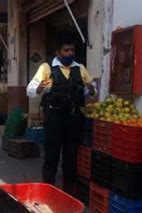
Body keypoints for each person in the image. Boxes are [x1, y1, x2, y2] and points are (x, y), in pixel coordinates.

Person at [26, 35, 97, 193]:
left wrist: (92, 89)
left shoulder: (80, 68)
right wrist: (39, 88)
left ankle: (68, 193)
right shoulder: (47, 68)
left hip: (74, 120)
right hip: (55, 120)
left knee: (71, 158)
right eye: (66, 50)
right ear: (58, 52)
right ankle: (49, 191)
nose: (69, 53)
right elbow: (30, 90)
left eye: (72, 50)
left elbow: (89, 90)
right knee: (51, 156)